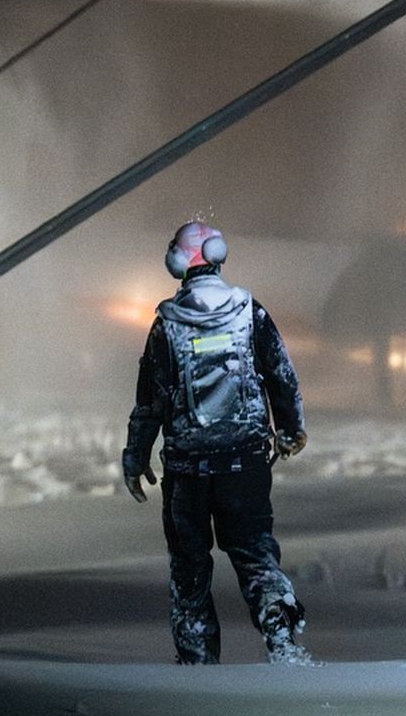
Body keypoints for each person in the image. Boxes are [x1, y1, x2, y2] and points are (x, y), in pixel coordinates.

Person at [122, 221, 313, 664]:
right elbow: (282, 376)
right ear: (218, 254)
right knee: (257, 559)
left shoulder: (165, 326)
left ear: (178, 262)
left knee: (189, 575)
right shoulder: (250, 312)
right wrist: (289, 430)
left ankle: (197, 671)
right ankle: (283, 642)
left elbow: (149, 400)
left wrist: (136, 457)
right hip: (244, 466)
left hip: (187, 475)